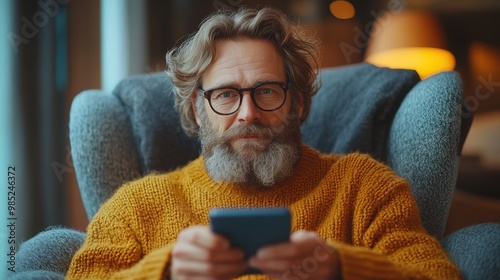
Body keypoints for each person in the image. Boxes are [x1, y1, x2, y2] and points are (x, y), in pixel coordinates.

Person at [67, 7, 461, 280]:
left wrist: (342, 267)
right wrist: (164, 270)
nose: (247, 114)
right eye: (225, 95)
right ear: (197, 108)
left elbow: (437, 274)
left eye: (267, 91)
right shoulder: (138, 206)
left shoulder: (366, 189)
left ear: (298, 101)